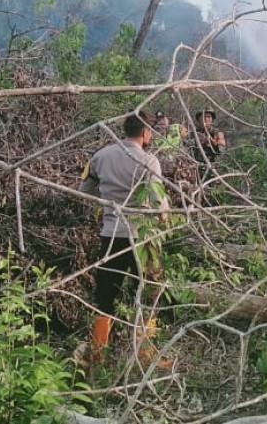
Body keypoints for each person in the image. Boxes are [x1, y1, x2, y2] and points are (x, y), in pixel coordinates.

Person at [78, 112, 173, 368]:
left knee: (106, 295)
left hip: (110, 235)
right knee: (149, 291)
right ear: (145, 133)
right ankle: (146, 355)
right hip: (142, 238)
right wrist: (164, 219)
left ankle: (97, 355)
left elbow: (85, 191)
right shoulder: (148, 160)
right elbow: (158, 201)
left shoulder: (100, 157)